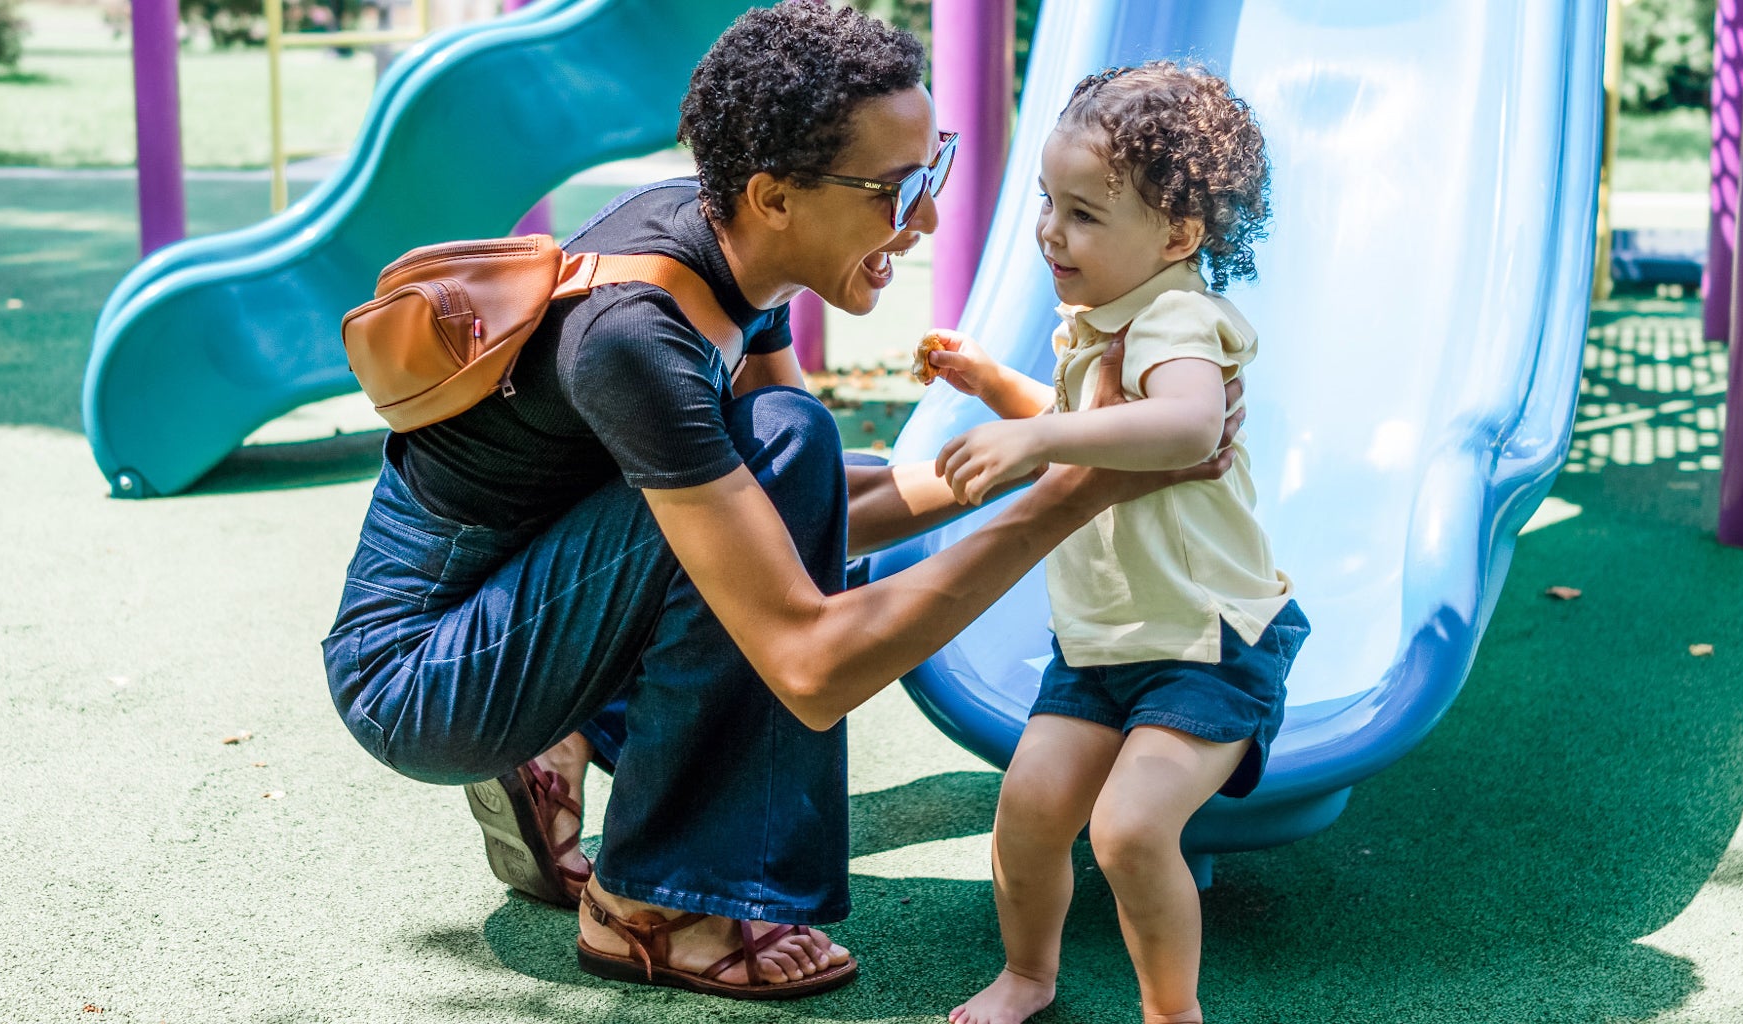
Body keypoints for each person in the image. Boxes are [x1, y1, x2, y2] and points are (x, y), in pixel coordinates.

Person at [320, 4, 1245, 1003]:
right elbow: (808, 664)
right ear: (771, 197)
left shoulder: (725, 252)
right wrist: (1066, 498)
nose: (925, 217)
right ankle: (648, 906)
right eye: (896, 188)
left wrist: (1024, 457)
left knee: (790, 448)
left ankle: (567, 735)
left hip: (522, 591)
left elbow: (806, 500)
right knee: (783, 461)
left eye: (928, 168)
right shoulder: (638, 335)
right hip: (421, 673)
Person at [912, 63, 1306, 1024]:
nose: (1052, 230)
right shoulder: (1094, 322)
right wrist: (995, 387)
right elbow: (1074, 414)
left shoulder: (1178, 318)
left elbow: (1183, 429)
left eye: (1085, 213)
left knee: (1129, 831)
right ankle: (1028, 976)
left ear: (1177, 235)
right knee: (1030, 814)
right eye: (1050, 202)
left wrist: (1037, 439)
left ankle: (1174, 1012)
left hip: (1207, 645)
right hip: (1099, 647)